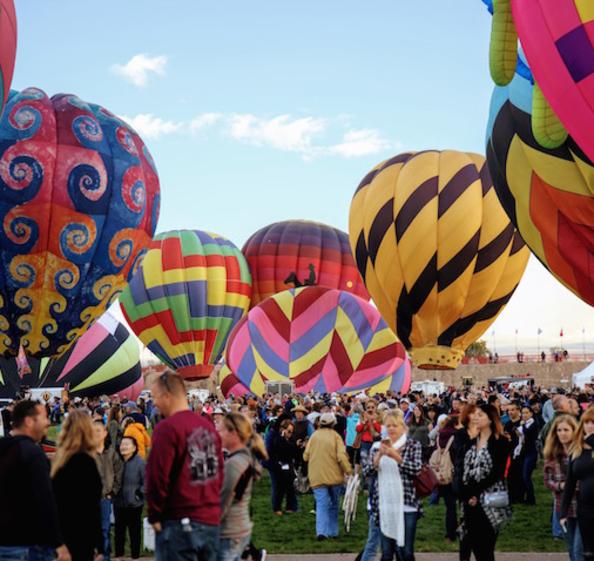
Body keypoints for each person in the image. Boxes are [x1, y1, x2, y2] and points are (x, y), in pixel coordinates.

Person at [146, 371, 224, 561]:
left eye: (155, 397)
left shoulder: (167, 429)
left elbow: (157, 476)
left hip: (179, 522)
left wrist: (155, 515)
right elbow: (219, 472)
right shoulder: (208, 428)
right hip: (211, 521)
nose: (154, 403)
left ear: (167, 396)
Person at [0, 400, 70, 561]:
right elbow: (45, 499)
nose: (48, 423)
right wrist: (58, 543)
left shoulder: (4, 448)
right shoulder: (32, 453)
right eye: (44, 417)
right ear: (29, 421)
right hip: (27, 544)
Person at [361, 410, 422, 561]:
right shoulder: (377, 446)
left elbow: (416, 469)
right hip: (384, 504)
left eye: (395, 425)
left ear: (403, 427)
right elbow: (367, 472)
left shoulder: (412, 445)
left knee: (406, 551)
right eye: (388, 425)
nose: (391, 429)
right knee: (386, 552)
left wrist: (397, 457)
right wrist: (378, 456)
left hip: (406, 503)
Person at [459, 404, 511, 561]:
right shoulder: (471, 442)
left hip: (489, 500)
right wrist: (467, 493)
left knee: (485, 549)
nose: (476, 417)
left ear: (490, 419)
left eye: (480, 415)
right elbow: (463, 469)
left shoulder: (500, 442)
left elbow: (497, 473)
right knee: (469, 545)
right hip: (469, 501)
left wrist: (476, 492)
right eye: (475, 414)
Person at [51, 409, 103, 561]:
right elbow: (92, 506)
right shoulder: (86, 463)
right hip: (81, 535)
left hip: (62, 535)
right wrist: (99, 545)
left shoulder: (60, 462)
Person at [218, 413, 268, 561]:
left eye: (221, 430)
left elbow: (224, 501)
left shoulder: (234, 464)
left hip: (230, 531)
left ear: (233, 433)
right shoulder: (245, 458)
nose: (218, 434)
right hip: (239, 526)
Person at [303, 412, 352, 540]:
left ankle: (321, 532)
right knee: (334, 504)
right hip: (334, 476)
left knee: (321, 504)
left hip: (317, 475)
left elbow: (305, 456)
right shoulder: (336, 437)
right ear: (333, 424)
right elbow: (341, 456)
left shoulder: (314, 436)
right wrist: (348, 470)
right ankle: (333, 531)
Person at [543, 415, 583, 561]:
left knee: (580, 550)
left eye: (566, 430)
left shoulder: (581, 453)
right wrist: (560, 486)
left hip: (583, 506)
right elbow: (547, 480)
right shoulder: (552, 455)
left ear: (574, 431)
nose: (562, 433)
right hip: (563, 506)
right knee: (572, 549)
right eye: (559, 430)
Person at [561, 407, 594, 561]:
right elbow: (570, 483)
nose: (590, 426)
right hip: (585, 507)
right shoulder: (577, 449)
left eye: (593, 422)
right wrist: (563, 511)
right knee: (586, 552)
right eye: (586, 422)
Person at [93, 420, 122, 561]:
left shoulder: (111, 453)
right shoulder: (88, 454)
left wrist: (113, 492)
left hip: (106, 498)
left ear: (105, 433)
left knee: (105, 529)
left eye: (98, 431)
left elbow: (118, 473)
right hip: (90, 499)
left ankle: (105, 557)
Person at [113, 436, 144, 560]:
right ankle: (119, 556)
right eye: (122, 444)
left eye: (127, 444)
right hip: (118, 502)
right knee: (119, 532)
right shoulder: (117, 461)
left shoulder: (140, 462)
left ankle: (135, 556)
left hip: (134, 503)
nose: (123, 446)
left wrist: (139, 494)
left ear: (134, 447)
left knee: (134, 532)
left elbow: (147, 481)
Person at [267, 419, 300, 515]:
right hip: (279, 465)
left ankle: (290, 507)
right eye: (289, 431)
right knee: (279, 489)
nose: (290, 433)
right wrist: (293, 445)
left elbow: (294, 451)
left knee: (290, 488)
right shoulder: (278, 439)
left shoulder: (291, 439)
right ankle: (277, 508)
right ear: (283, 430)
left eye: (291, 431)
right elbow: (283, 448)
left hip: (289, 465)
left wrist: (296, 446)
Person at [518, 406, 539, 505]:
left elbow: (528, 435)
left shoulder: (534, 423)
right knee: (524, 475)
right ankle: (527, 497)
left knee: (526, 476)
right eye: (523, 413)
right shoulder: (526, 424)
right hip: (525, 452)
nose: (524, 415)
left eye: (526, 413)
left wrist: (523, 426)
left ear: (531, 413)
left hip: (531, 452)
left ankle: (531, 499)